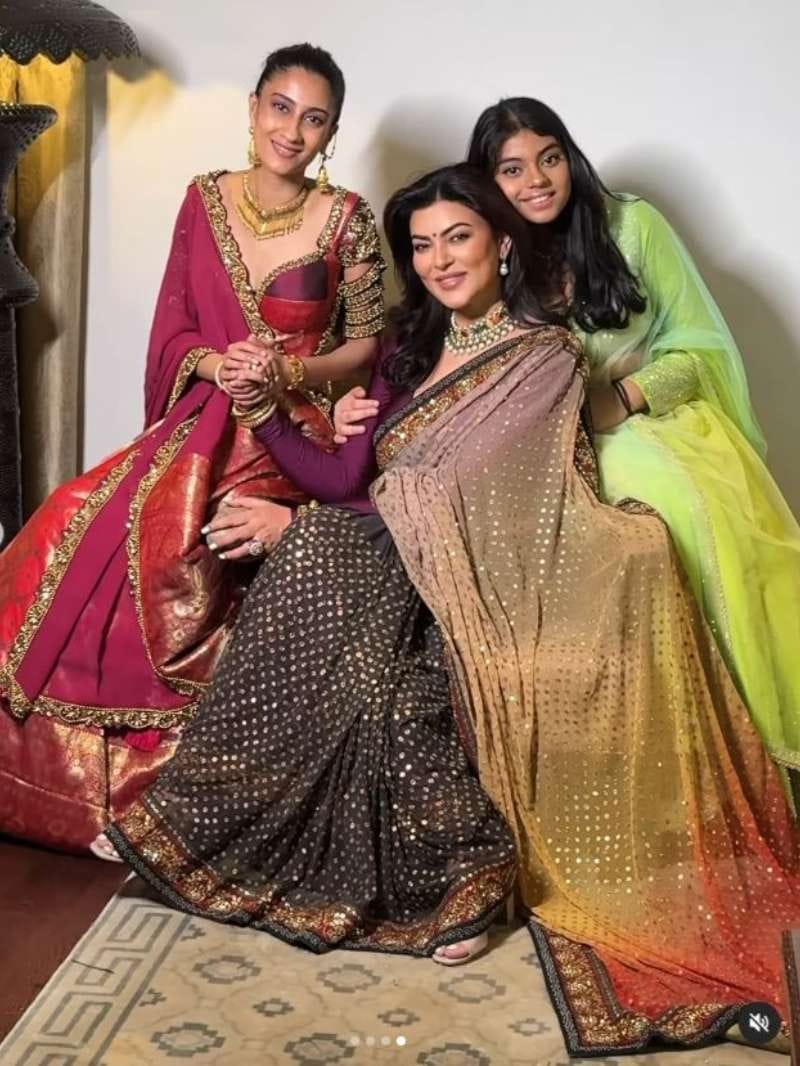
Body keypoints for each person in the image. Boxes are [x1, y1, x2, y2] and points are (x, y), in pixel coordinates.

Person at [109, 166, 799, 1049]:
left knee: (369, 634)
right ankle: (202, 817)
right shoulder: (405, 350)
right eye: (423, 245)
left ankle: (468, 877)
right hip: (401, 567)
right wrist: (272, 415)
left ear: (502, 244)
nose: (439, 260)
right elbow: (346, 478)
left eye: (458, 238)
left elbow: (481, 500)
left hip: (493, 585)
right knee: (328, 578)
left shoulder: (543, 357)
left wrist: (312, 522)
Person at [339, 99, 800, 781]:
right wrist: (349, 401)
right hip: (535, 442)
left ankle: (739, 747)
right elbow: (447, 369)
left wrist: (624, 399)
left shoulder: (632, 226)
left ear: (570, 158)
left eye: (549, 158)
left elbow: (697, 349)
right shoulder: (486, 255)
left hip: (640, 423)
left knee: (662, 505)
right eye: (512, 169)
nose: (536, 181)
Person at [0, 43, 384, 856]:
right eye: (280, 107)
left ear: (332, 132)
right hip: (203, 417)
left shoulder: (349, 218)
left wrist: (286, 371)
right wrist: (218, 364)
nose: (292, 131)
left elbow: (366, 349)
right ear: (253, 107)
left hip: (289, 426)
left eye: (314, 119)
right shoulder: (202, 199)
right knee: (75, 512)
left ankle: (184, 801)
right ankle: (76, 791)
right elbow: (173, 329)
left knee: (191, 546)